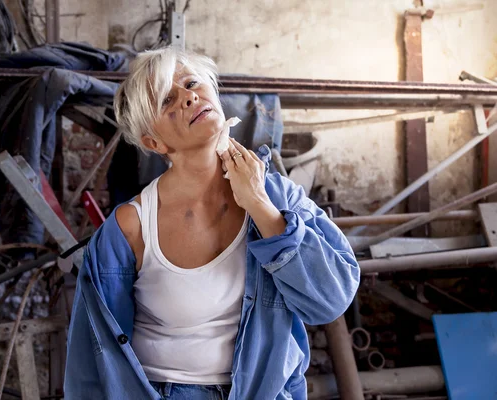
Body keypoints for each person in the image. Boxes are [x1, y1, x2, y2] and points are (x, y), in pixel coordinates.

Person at [64, 47, 360, 400]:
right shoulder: (131, 227)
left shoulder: (278, 197)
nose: (189, 97)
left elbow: (330, 300)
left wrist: (260, 205)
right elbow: (89, 364)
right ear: (153, 141)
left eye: (192, 83)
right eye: (166, 100)